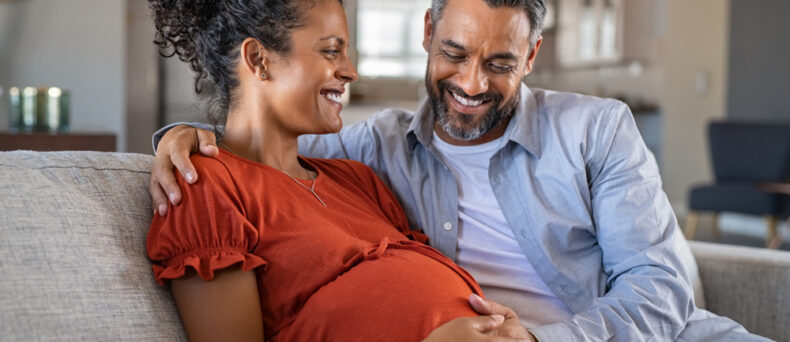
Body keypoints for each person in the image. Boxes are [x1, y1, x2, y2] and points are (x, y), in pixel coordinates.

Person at [150, 0, 770, 340]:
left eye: (500, 63)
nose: (472, 84)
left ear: (531, 55)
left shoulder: (596, 129)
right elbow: (255, 153)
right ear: (427, 32)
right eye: (454, 54)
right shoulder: (376, 148)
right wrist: (184, 137)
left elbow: (659, 288)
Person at [144, 0, 533, 341]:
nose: (350, 71)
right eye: (331, 51)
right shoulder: (206, 185)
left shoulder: (357, 179)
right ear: (259, 60)